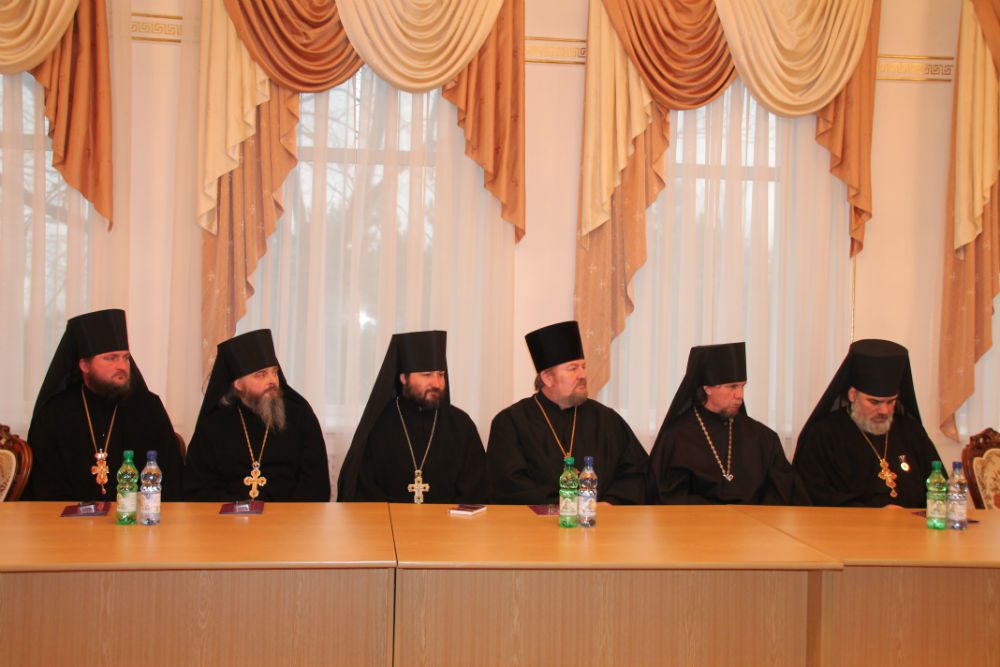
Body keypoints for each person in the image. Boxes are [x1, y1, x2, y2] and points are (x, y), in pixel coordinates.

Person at [24, 309, 183, 501]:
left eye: (125, 357)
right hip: (69, 518)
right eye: (111, 358)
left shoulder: (148, 407)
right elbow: (45, 488)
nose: (122, 366)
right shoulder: (54, 413)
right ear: (84, 365)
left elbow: (171, 479)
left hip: (136, 516)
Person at [487, 321, 648, 505]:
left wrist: (611, 502)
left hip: (602, 519)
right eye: (573, 368)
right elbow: (509, 485)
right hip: (539, 521)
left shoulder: (606, 420)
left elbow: (636, 472)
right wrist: (567, 505)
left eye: (583, 367)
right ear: (548, 378)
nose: (583, 375)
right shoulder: (511, 422)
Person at [648, 342, 808, 505]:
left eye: (742, 386)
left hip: (754, 521)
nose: (740, 395)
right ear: (707, 388)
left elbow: (782, 490)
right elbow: (667, 496)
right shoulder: (677, 438)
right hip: (698, 520)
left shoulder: (763, 438)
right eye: (732, 387)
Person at [337, 330, 486, 503]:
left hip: (448, 519)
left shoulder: (461, 425)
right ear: (403, 378)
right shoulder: (379, 424)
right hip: (388, 518)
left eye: (441, 374)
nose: (436, 383)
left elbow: (476, 487)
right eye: (426, 375)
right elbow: (365, 488)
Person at [184, 329, 330, 501]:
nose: (272, 380)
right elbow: (198, 487)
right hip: (227, 515)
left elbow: (316, 484)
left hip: (288, 515)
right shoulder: (215, 423)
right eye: (261, 375)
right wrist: (237, 511)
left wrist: (285, 514)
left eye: (274, 372)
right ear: (238, 384)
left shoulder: (299, 414)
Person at [793, 338, 942, 508]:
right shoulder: (823, 434)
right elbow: (816, 495)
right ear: (852, 395)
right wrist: (875, 514)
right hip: (851, 524)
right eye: (874, 402)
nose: (884, 411)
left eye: (891, 401)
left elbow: (938, 486)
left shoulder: (911, 431)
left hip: (911, 524)